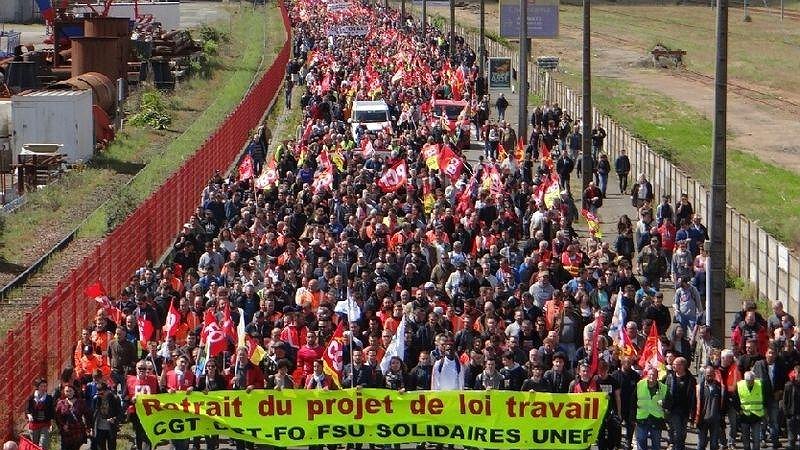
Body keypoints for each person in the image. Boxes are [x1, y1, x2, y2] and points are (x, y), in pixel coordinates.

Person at [663, 357, 695, 450]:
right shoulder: (670, 376)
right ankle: (677, 446)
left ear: (682, 366)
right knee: (678, 429)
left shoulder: (690, 379)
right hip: (673, 409)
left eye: (675, 364)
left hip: (685, 409)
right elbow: (664, 390)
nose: (673, 365)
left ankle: (680, 445)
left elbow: (693, 395)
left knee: (683, 430)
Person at [634, 368, 670, 450]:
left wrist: (663, 403)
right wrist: (632, 416)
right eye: (650, 374)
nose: (651, 376)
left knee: (656, 442)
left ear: (657, 376)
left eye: (654, 375)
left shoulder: (663, 388)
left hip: (656, 419)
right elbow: (633, 400)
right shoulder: (640, 385)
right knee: (641, 441)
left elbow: (670, 402)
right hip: (642, 418)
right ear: (647, 375)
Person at [735, 371, 767, 450]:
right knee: (746, 441)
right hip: (744, 417)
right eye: (748, 381)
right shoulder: (739, 385)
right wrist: (739, 410)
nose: (750, 383)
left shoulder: (760, 384)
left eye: (752, 381)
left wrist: (765, 409)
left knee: (756, 440)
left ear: (754, 379)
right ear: (745, 380)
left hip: (756, 416)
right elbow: (735, 399)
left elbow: (766, 397)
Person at [695, 365, 723, 450]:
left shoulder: (720, 387)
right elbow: (694, 403)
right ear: (704, 375)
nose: (709, 377)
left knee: (714, 444)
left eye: (711, 375)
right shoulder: (699, 387)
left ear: (714, 375)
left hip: (715, 420)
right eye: (708, 375)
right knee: (701, 443)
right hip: (703, 419)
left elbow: (723, 403)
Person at [54, 384, 90, 450]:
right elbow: (57, 417)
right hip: (66, 431)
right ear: (64, 392)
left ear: (74, 391)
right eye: (67, 391)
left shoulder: (80, 402)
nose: (69, 393)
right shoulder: (61, 403)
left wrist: (88, 427)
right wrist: (62, 425)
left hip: (78, 430)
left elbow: (87, 415)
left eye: (70, 391)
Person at [26, 378, 55, 450]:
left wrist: (51, 423)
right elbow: (27, 409)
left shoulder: (49, 398)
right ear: (37, 387)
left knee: (44, 443)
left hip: (45, 424)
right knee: (34, 444)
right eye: (42, 386)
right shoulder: (32, 397)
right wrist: (29, 415)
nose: (44, 388)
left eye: (45, 386)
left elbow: (52, 411)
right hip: (34, 424)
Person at [784, 363, 800, 450]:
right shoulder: (789, 385)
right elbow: (785, 401)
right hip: (791, 414)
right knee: (791, 437)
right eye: (798, 373)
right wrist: (787, 413)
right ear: (794, 373)